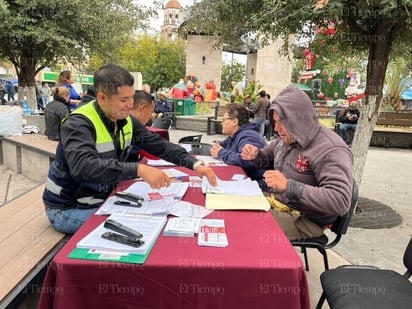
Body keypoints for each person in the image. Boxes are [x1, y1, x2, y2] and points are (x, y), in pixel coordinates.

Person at [42, 64, 217, 234]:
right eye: (124, 100)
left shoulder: (125, 120)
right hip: (68, 209)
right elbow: (84, 167)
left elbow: (159, 145)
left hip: (105, 201)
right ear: (102, 98)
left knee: (154, 219)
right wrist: (139, 169)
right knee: (142, 227)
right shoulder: (78, 124)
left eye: (132, 97)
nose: (130, 104)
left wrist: (195, 164)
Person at [241, 84, 353, 241]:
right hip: (279, 203)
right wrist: (256, 154)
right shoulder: (287, 138)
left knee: (243, 225)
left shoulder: (331, 149)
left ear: (298, 120)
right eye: (274, 121)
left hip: (307, 220)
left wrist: (288, 186)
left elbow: (340, 201)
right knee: (237, 211)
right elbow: (268, 155)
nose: (277, 128)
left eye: (281, 122)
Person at [210, 103, 268, 191]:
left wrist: (221, 153)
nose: (221, 123)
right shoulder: (234, 135)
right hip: (243, 181)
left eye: (223, 119)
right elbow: (222, 146)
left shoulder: (248, 135)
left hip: (256, 186)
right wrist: (217, 148)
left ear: (234, 121)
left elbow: (245, 159)